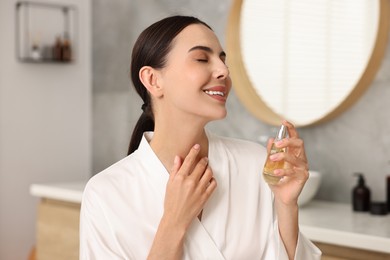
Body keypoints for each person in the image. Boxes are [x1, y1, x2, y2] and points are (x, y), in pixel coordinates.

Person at [80, 15, 322, 260]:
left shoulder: (256, 164)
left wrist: (287, 206)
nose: (223, 71)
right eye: (201, 58)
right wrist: (174, 222)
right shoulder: (106, 193)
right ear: (153, 80)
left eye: (222, 59)